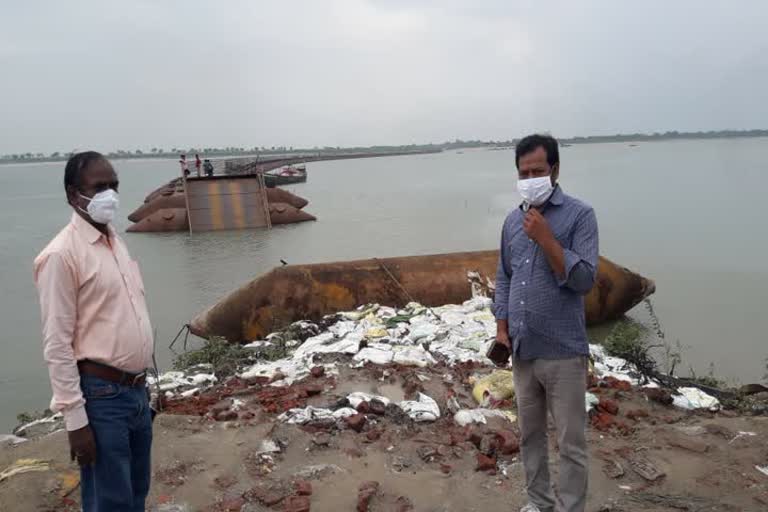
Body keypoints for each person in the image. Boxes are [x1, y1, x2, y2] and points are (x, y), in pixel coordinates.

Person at [33, 151, 154, 511]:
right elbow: (57, 344)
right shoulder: (61, 256)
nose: (110, 195)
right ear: (74, 195)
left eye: (113, 185)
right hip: (102, 397)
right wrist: (76, 421)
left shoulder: (114, 242)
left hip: (136, 392)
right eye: (99, 187)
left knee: (135, 491)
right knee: (108, 500)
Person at [494, 134, 598, 512]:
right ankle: (539, 504)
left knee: (571, 444)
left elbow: (585, 280)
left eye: (538, 170)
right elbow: (504, 276)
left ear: (555, 169)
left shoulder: (580, 215)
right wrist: (501, 329)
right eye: (524, 172)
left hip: (563, 352)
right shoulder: (511, 221)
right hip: (522, 351)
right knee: (529, 437)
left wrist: (546, 238)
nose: (531, 177)